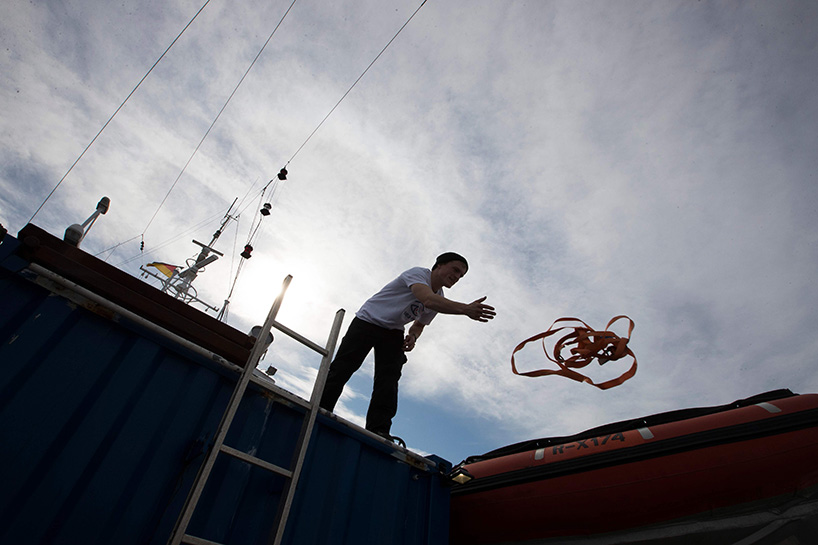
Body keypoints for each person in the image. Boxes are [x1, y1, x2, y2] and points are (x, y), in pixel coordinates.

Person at [319, 252, 496, 439]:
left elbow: (420, 324)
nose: (457, 276)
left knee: (389, 376)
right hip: (369, 320)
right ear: (438, 266)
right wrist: (465, 309)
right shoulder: (418, 274)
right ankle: (322, 406)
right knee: (345, 366)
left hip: (393, 330)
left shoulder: (440, 296)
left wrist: (413, 336)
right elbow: (427, 299)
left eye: (461, 275)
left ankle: (378, 428)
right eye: (455, 270)